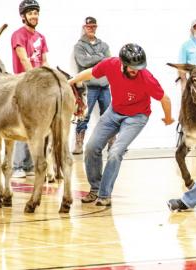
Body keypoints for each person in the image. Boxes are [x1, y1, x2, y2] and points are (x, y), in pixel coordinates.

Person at [68, 43, 174, 207]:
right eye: (132, 67)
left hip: (136, 117)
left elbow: (165, 99)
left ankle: (104, 195)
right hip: (114, 112)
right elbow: (91, 73)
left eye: (139, 67)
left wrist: (168, 118)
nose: (136, 70)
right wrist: (73, 80)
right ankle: (95, 189)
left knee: (115, 152)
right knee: (91, 147)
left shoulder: (146, 78)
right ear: (123, 64)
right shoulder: (111, 64)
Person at [11, 0, 49, 178]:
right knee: (23, 124)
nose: (34, 16)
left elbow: (45, 61)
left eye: (36, 12)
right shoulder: (18, 35)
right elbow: (24, 59)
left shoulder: (41, 37)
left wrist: (46, 78)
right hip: (24, 82)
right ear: (23, 16)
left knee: (35, 125)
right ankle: (18, 165)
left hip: (38, 84)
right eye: (30, 13)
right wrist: (35, 78)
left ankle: (28, 165)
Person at [72, 16, 112, 155]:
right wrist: (100, 57)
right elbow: (83, 62)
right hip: (88, 87)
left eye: (94, 26)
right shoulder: (79, 46)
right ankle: (79, 144)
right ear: (84, 27)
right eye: (89, 26)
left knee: (108, 115)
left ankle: (112, 142)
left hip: (104, 86)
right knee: (84, 115)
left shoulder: (104, 45)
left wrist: (93, 59)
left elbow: (109, 61)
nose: (91, 29)